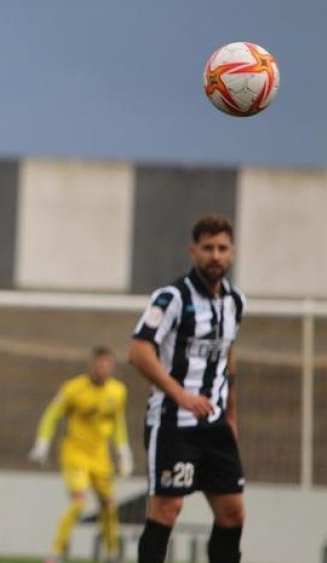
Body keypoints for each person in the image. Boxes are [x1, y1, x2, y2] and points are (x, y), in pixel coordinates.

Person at [128, 214, 245, 563]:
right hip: (172, 423)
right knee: (167, 510)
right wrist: (180, 395)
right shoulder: (172, 298)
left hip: (216, 425)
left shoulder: (235, 302)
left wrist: (232, 417)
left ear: (232, 253)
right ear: (193, 251)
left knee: (232, 513)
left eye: (222, 248)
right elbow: (139, 350)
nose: (215, 255)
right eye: (207, 248)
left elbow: (228, 359)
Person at [28, 347, 130, 563]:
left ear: (112, 367)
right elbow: (52, 415)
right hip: (75, 453)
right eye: (99, 364)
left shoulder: (118, 391)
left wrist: (123, 452)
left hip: (101, 456)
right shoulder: (73, 389)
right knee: (79, 503)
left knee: (109, 506)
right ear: (91, 365)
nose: (102, 369)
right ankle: (54, 554)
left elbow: (118, 424)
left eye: (107, 365)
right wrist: (42, 442)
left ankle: (112, 555)